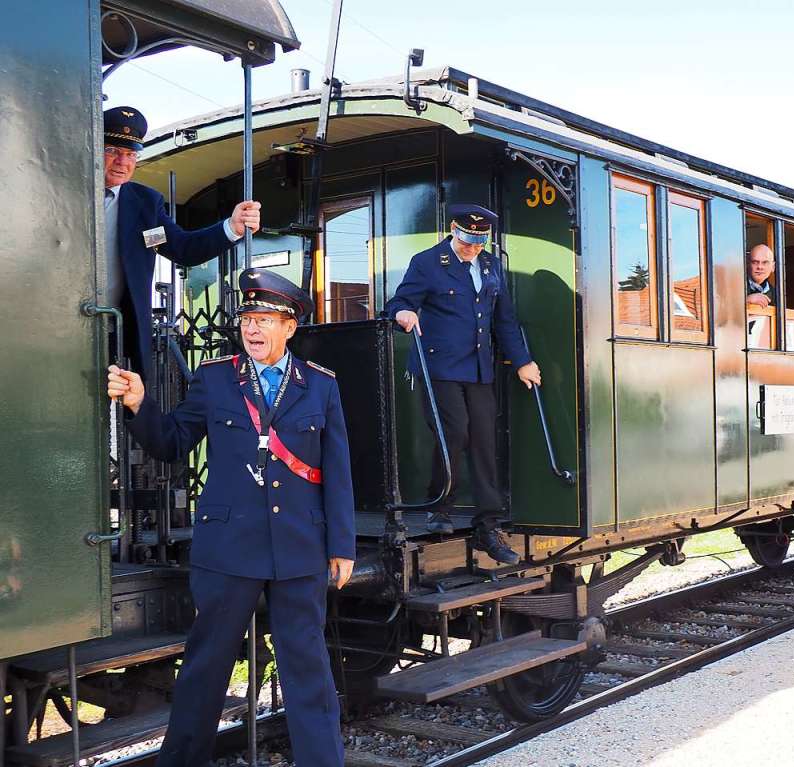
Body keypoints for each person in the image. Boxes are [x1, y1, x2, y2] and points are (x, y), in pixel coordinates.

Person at [107, 268, 355, 767]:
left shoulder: (321, 387)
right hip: (228, 548)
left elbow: (337, 469)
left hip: (299, 547)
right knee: (206, 667)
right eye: (248, 319)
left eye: (265, 319)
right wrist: (140, 404)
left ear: (290, 326)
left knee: (307, 669)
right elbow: (173, 441)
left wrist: (342, 545)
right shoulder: (216, 378)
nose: (253, 329)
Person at [384, 204, 541, 566]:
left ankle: (487, 524)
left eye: (479, 241)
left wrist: (522, 362)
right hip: (439, 367)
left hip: (478, 369)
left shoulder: (489, 265)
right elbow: (400, 301)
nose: (472, 247)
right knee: (454, 433)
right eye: (467, 239)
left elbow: (505, 318)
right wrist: (403, 313)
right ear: (453, 229)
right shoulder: (427, 262)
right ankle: (440, 505)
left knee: (485, 439)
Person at [102, 105, 262, 378]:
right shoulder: (62, 191)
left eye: (130, 154)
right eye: (112, 151)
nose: (122, 161)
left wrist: (232, 228)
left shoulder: (144, 207)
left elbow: (181, 248)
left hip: (114, 334)